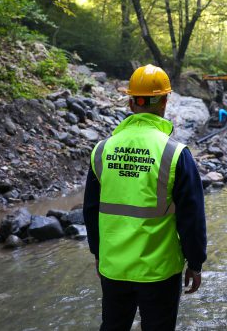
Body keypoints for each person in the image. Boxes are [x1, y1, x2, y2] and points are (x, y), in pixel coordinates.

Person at [83, 64, 207, 331]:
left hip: (114, 266)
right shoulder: (175, 153)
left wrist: (97, 253)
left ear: (130, 103)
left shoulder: (102, 150)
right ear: (164, 102)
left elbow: (91, 211)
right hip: (159, 271)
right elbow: (192, 217)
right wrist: (195, 263)